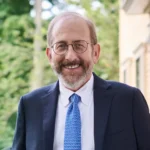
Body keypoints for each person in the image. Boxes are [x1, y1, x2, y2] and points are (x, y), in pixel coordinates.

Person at [12, 12, 150, 150]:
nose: (70, 56)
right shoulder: (30, 105)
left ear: (95, 53)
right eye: (61, 46)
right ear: (49, 56)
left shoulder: (128, 101)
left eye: (79, 45)